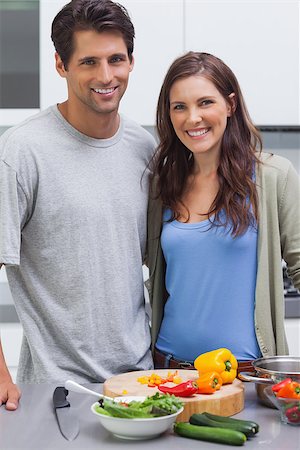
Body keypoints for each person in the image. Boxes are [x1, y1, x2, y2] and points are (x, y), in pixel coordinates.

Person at [0, 0, 155, 411]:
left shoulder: (144, 148)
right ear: (61, 65)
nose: (106, 76)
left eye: (115, 59)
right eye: (89, 61)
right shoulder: (22, 151)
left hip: (141, 383)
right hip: (57, 394)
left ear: (131, 61)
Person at [146, 52, 300, 372]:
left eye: (205, 102)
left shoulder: (273, 177)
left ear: (230, 105)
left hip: (246, 375)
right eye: (180, 107)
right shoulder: (164, 185)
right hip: (168, 370)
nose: (193, 118)